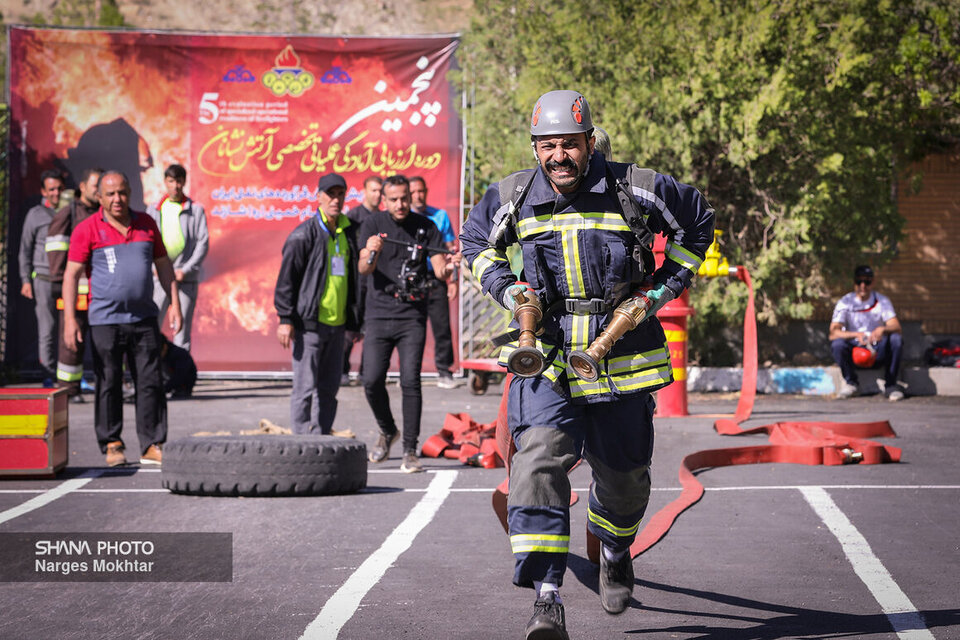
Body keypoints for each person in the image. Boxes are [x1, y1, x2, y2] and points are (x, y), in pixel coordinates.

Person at [460, 90, 714, 639]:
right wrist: (509, 291)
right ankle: (547, 597)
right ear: (535, 147)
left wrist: (661, 291)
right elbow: (475, 241)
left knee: (625, 481)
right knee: (536, 462)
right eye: (547, 146)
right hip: (548, 357)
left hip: (624, 357)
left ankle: (616, 549)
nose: (559, 157)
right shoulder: (513, 195)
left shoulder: (637, 188)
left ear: (589, 142)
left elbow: (699, 225)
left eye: (569, 145)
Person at [62, 170, 182, 467]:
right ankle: (112, 444)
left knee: (150, 381)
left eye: (123, 192)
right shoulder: (87, 229)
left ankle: (152, 443)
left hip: (143, 318)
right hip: (104, 320)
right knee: (108, 382)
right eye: (111, 194)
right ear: (99, 197)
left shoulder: (146, 224)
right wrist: (69, 320)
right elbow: (71, 274)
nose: (118, 199)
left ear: (131, 193)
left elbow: (164, 266)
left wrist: (174, 303)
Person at [357, 174, 456, 473]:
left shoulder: (427, 226)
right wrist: (372, 249)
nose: (401, 204)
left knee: (410, 380)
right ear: (384, 200)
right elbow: (364, 267)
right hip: (378, 313)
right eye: (394, 199)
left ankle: (409, 451)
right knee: (371, 379)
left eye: (405, 198)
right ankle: (388, 430)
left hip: (412, 314)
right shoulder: (373, 224)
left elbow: (440, 268)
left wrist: (449, 266)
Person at [274, 173, 361, 435]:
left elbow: (355, 280)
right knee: (304, 388)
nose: (335, 200)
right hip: (309, 325)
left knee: (329, 388)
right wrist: (286, 319)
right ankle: (302, 442)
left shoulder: (350, 232)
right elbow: (286, 280)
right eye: (330, 194)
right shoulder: (303, 235)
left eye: (340, 194)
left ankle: (321, 439)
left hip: (338, 326)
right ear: (319, 196)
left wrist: (354, 321)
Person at [46, 167, 104, 402]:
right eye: (94, 186)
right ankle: (69, 389)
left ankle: (110, 387)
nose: (99, 192)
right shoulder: (69, 211)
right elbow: (56, 247)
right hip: (75, 290)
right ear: (82, 187)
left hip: (101, 290)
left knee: (105, 342)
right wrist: (60, 282)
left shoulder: (104, 211)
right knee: (71, 341)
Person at [146, 163, 209, 351]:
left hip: (185, 278)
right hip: (159, 277)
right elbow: (147, 243)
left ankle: (180, 376)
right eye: (171, 181)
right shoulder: (155, 209)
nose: (175, 186)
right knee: (152, 325)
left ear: (184, 183)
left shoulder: (195, 209)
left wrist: (186, 269)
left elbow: (202, 242)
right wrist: (154, 269)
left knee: (181, 329)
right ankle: (153, 374)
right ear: (165, 182)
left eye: (179, 181)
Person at [409, 175, 462, 389]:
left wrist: (453, 279)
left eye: (421, 191)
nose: (417, 196)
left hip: (437, 276)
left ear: (426, 191)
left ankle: (444, 370)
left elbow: (452, 249)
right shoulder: (403, 218)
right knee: (410, 325)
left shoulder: (439, 216)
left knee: (441, 326)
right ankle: (410, 371)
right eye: (413, 192)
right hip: (412, 277)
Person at [829, 265, 904, 401]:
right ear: (854, 283)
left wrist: (882, 329)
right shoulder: (845, 302)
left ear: (873, 282)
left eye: (867, 281)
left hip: (877, 349)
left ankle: (891, 385)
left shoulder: (882, 301)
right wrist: (855, 335)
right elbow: (833, 333)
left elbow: (896, 326)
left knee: (896, 340)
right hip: (855, 349)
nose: (863, 285)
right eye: (859, 281)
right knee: (837, 344)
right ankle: (851, 383)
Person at [19, 169, 66, 384]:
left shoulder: (71, 211)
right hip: (43, 281)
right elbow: (25, 249)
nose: (56, 193)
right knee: (47, 331)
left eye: (59, 189)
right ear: (43, 191)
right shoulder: (35, 214)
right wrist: (26, 280)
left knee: (70, 330)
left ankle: (69, 377)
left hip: (68, 282)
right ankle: (48, 375)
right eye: (51, 189)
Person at [341, 175, 383, 386]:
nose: (377, 195)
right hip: (355, 280)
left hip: (377, 281)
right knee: (350, 328)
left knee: (372, 328)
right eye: (373, 190)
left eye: (379, 191)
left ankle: (366, 373)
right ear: (365, 191)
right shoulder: (353, 217)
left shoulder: (384, 219)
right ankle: (342, 371)